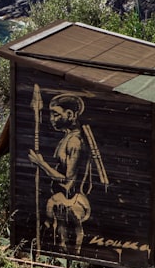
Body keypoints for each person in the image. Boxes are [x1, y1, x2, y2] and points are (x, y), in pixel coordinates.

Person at [28, 93, 107, 253]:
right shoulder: (67, 138)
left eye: (56, 114)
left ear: (70, 114)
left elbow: (68, 182)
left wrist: (41, 164)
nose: (52, 119)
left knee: (69, 241)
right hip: (63, 200)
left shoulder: (75, 142)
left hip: (72, 201)